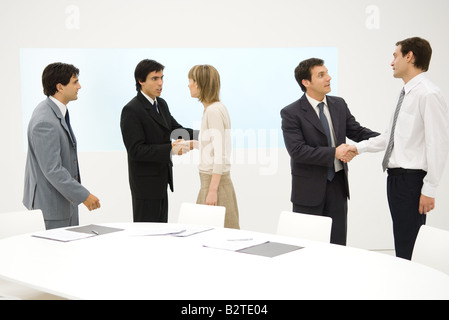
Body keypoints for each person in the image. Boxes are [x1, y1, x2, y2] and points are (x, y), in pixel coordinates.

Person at [349, 37, 449, 260]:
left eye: (395, 55)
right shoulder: (404, 93)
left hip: (412, 180)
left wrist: (429, 189)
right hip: (395, 179)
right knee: (403, 242)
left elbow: (438, 144)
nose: (391, 62)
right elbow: (391, 137)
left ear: (409, 56)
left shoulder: (428, 93)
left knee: (410, 246)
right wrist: (358, 148)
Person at [280, 58, 379, 245]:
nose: (329, 78)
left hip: (338, 187)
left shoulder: (339, 104)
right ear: (306, 82)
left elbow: (357, 132)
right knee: (307, 247)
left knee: (338, 245)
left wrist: (389, 139)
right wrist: (335, 152)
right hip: (308, 192)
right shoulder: (291, 112)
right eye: (321, 75)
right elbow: (298, 151)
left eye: (327, 73)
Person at [23, 62, 101, 230]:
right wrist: (84, 195)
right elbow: (53, 169)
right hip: (51, 209)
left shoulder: (56, 111)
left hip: (64, 204)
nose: (79, 86)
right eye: (75, 82)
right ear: (60, 87)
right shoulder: (44, 120)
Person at [120, 59, 195, 223]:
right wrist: (171, 149)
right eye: (155, 78)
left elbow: (176, 130)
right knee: (147, 237)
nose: (160, 83)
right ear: (141, 81)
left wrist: (206, 135)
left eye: (162, 78)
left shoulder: (161, 104)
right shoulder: (131, 110)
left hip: (161, 182)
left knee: (162, 234)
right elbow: (136, 151)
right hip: (145, 186)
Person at [187, 65, 240, 229]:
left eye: (190, 81)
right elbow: (212, 147)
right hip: (212, 182)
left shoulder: (213, 112)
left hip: (214, 183)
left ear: (198, 84)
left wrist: (212, 190)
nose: (188, 85)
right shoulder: (215, 108)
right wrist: (191, 144)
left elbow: (219, 155)